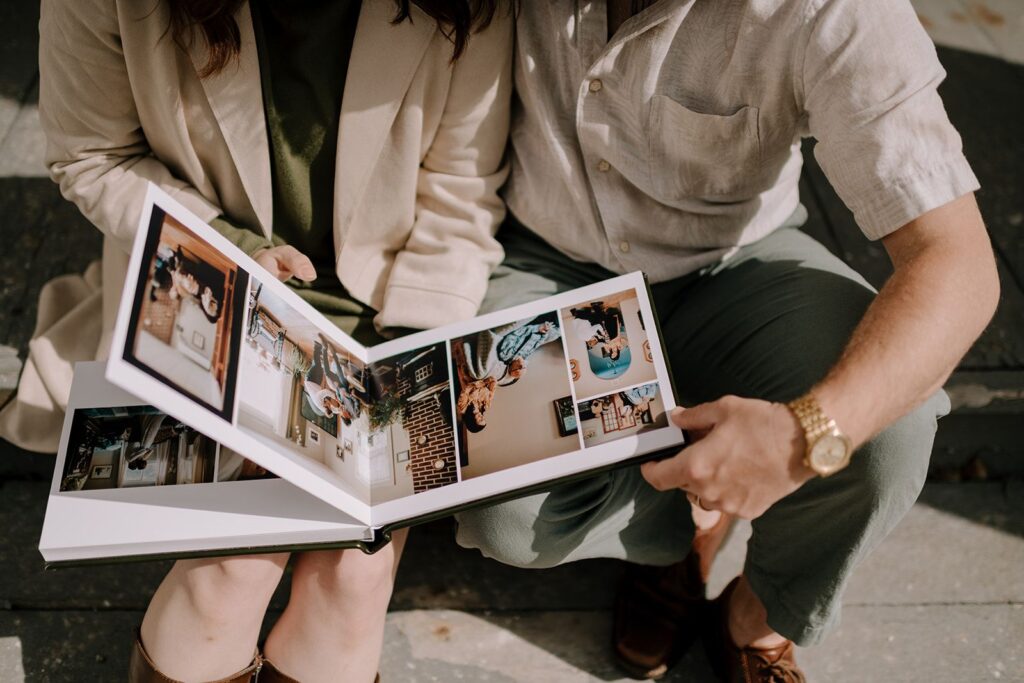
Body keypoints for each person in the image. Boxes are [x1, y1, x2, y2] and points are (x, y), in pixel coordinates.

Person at [453, 1, 999, 681]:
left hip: (733, 264)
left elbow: (961, 266)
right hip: (550, 262)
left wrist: (801, 436)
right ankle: (686, 532)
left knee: (889, 433)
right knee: (510, 505)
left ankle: (757, 617)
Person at [35, 0, 512, 681]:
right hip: (209, 282)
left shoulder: (467, 7)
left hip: (389, 308)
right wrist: (230, 250)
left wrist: (405, 377)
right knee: (228, 571)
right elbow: (91, 156)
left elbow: (460, 198)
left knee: (355, 576)